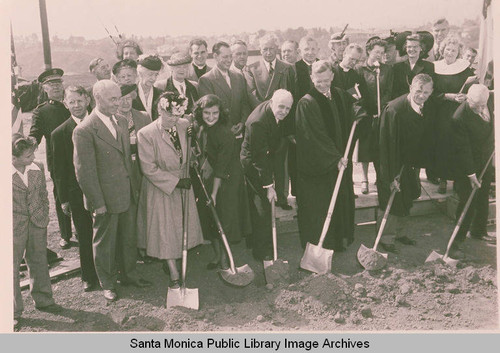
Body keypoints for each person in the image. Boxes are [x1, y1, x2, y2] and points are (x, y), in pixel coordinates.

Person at [73, 80, 151, 302]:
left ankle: (130, 275)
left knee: (128, 238)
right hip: (105, 199)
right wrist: (98, 203)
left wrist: (133, 189)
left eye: (119, 97)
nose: (119, 103)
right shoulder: (85, 130)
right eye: (113, 99)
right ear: (98, 99)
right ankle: (107, 283)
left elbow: (127, 159)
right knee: (105, 243)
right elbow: (84, 173)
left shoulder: (121, 121)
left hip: (126, 194)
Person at [295, 61, 368, 252]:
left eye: (326, 80)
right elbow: (314, 136)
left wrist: (358, 114)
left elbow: (356, 109)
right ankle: (323, 245)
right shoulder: (307, 102)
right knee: (321, 206)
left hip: (341, 161)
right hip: (320, 168)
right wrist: (335, 158)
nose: (322, 85)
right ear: (312, 78)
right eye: (318, 81)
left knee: (340, 202)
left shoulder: (339, 94)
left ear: (332, 77)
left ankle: (340, 241)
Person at [136, 92, 203, 288]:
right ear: (160, 110)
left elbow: (187, 152)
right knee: (165, 230)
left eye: (178, 115)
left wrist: (193, 155)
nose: (174, 119)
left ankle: (175, 262)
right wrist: (174, 182)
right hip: (161, 188)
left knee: (181, 226)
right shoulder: (146, 134)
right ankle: (174, 274)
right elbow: (148, 168)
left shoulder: (183, 125)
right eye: (170, 115)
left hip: (184, 182)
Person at [378, 74, 436, 251]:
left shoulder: (425, 106)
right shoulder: (394, 109)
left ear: (431, 92)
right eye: (419, 90)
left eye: (426, 92)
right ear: (411, 87)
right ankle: (386, 238)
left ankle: (400, 233)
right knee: (393, 198)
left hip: (411, 162)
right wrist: (390, 175)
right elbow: (384, 145)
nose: (422, 95)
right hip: (393, 162)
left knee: (408, 196)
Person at [193, 94, 251, 269]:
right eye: (207, 113)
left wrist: (214, 193)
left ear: (220, 113)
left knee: (224, 219)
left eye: (215, 113)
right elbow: (203, 151)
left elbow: (221, 167)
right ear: (200, 113)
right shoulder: (202, 129)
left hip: (227, 181)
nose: (211, 117)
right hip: (210, 177)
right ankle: (218, 256)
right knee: (212, 218)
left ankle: (226, 260)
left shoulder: (225, 134)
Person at [51, 86, 98, 292]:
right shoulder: (59, 133)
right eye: (71, 102)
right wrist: (64, 199)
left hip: (104, 187)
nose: (76, 105)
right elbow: (59, 170)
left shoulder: (100, 123)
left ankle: (113, 269)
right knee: (85, 233)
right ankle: (89, 275)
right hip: (77, 193)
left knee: (107, 230)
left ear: (88, 100)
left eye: (79, 100)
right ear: (65, 104)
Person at [13, 135, 62, 329]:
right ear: (12, 157)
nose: (32, 158)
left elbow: (43, 193)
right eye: (27, 156)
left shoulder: (38, 167)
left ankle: (43, 299)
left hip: (37, 223)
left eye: (33, 153)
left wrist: (44, 214)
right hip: (13, 227)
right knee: (11, 268)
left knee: (39, 261)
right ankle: (13, 310)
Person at [240, 89, 294, 261]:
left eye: (288, 108)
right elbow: (259, 158)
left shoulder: (275, 112)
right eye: (281, 107)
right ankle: (262, 250)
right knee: (262, 205)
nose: (284, 112)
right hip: (253, 163)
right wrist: (268, 186)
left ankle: (257, 241)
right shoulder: (258, 122)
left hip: (267, 156)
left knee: (263, 203)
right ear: (271, 102)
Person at [245, 34, 297, 210]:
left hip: (281, 121)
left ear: (277, 49)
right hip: (264, 118)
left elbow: (292, 96)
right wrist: (268, 112)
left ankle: (282, 196)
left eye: (271, 48)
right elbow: (251, 94)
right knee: (262, 159)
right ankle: (267, 193)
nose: (268, 52)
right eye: (264, 49)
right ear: (260, 50)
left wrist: (282, 119)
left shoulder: (287, 68)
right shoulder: (251, 68)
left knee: (280, 161)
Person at [29, 68, 72, 249]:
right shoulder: (42, 111)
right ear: (44, 88)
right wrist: (27, 144)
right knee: (62, 196)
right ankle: (66, 234)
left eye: (58, 83)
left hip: (82, 157)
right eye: (51, 84)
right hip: (59, 161)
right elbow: (34, 134)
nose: (56, 87)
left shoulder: (73, 104)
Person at [450, 84, 495, 256]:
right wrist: (471, 174)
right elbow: (463, 149)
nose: (480, 108)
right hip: (466, 165)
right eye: (476, 105)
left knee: (483, 196)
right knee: (467, 201)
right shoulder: (459, 117)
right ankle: (456, 241)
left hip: (486, 160)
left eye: (483, 105)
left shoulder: (489, 101)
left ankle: (479, 231)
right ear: (468, 98)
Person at [432, 36, 476, 194]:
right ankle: (442, 179)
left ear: (458, 52)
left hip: (460, 110)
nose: (450, 52)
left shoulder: (464, 67)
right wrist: (447, 96)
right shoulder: (435, 67)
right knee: (442, 143)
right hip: (441, 111)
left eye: (454, 50)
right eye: (448, 49)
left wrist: (465, 96)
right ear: (442, 50)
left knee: (458, 142)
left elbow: (473, 87)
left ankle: (458, 179)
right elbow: (431, 92)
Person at [115, 84, 152, 259]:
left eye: (128, 98)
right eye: (121, 99)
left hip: (142, 169)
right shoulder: (113, 120)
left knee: (145, 207)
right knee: (129, 211)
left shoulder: (144, 117)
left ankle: (146, 247)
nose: (125, 103)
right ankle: (132, 251)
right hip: (124, 171)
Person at [356, 38, 394, 194]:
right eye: (376, 51)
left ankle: (381, 177)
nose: (379, 55)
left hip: (381, 113)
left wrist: (382, 109)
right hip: (366, 113)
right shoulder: (360, 69)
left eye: (382, 52)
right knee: (365, 147)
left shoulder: (387, 70)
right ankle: (364, 179)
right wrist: (364, 110)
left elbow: (388, 91)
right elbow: (358, 91)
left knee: (380, 146)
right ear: (369, 51)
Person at [198, 41, 251, 142]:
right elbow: (209, 112)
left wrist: (242, 122)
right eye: (225, 57)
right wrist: (229, 127)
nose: (229, 60)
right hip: (219, 137)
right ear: (215, 56)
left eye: (230, 56)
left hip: (240, 135)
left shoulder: (239, 77)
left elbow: (245, 103)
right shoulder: (206, 80)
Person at [392, 33, 435, 99]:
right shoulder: (397, 67)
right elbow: (395, 91)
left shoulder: (429, 66)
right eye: (409, 47)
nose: (412, 49)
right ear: (405, 48)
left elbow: (430, 90)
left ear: (421, 48)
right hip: (402, 103)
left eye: (415, 47)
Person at [133, 54, 164, 121]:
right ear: (140, 73)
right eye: (150, 74)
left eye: (156, 74)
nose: (153, 78)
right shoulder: (131, 93)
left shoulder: (161, 94)